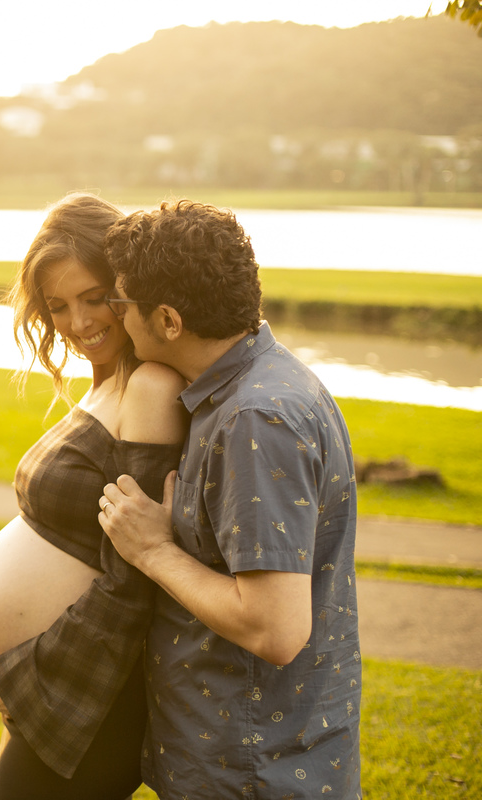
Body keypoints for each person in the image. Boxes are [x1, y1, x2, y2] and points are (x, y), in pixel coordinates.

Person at [90, 200, 362, 798]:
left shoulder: (255, 419)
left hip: (251, 766)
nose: (114, 316)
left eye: (120, 302)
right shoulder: (255, 385)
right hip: (238, 755)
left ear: (168, 320)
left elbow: (275, 629)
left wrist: (154, 551)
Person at [0, 192, 188, 799]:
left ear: (128, 286)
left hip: (88, 700)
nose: (78, 323)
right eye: (57, 306)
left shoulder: (150, 387)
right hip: (52, 689)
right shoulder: (105, 381)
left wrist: (20, 673)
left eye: (94, 297)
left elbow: (133, 578)